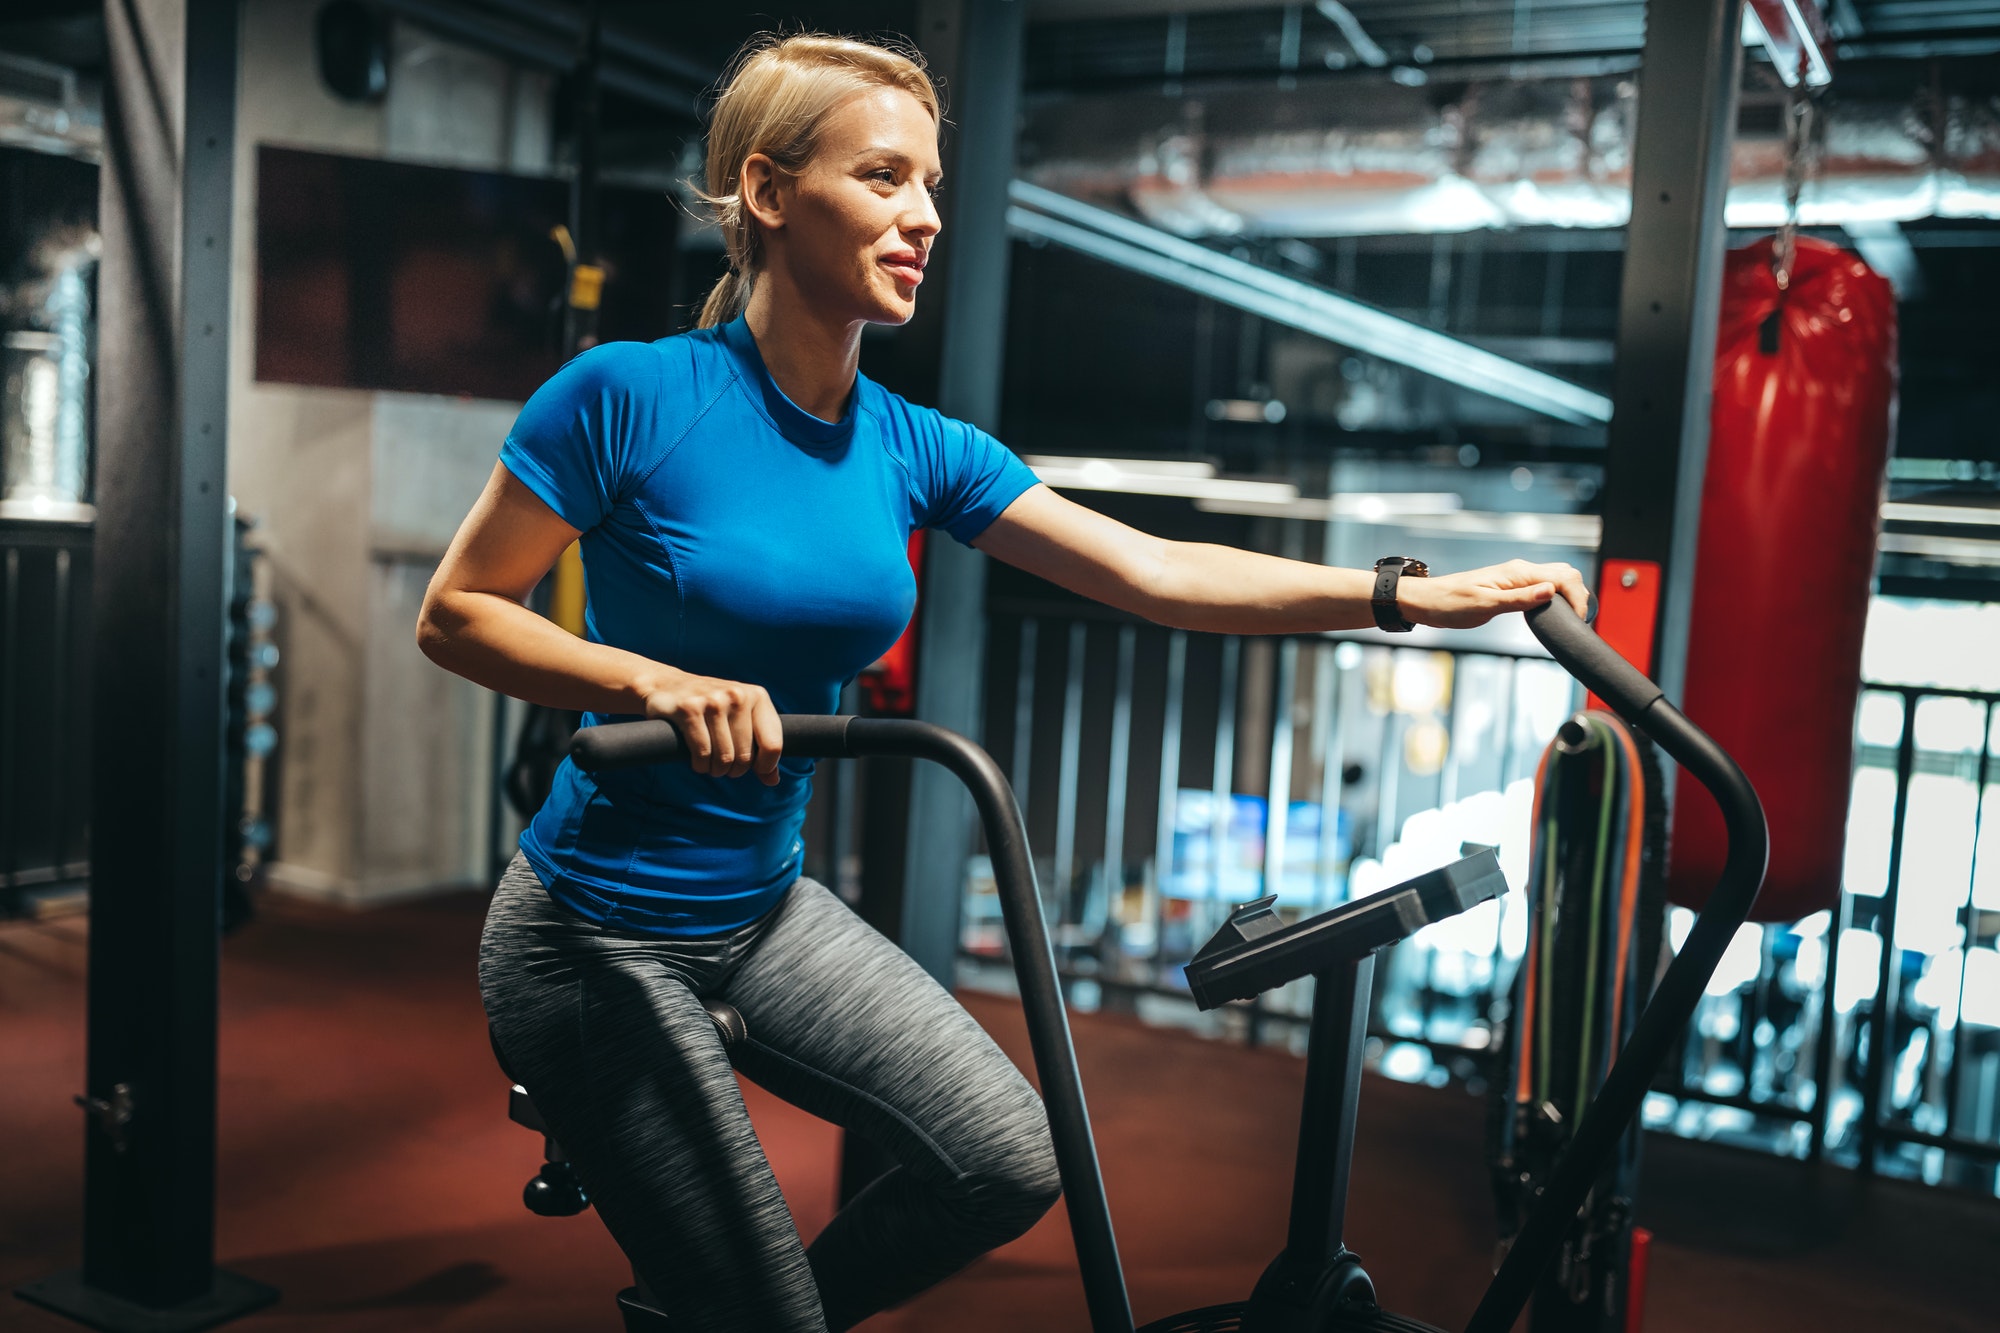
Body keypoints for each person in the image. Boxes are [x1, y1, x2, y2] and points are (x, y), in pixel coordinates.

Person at [417, 31, 1591, 1333]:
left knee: (1005, 1157)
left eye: (929, 183)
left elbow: (1155, 573)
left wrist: (1399, 595)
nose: (923, 215)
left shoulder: (916, 445)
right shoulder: (629, 396)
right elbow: (458, 612)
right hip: (589, 932)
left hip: (759, 905)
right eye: (881, 178)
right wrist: (647, 681)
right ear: (766, 190)